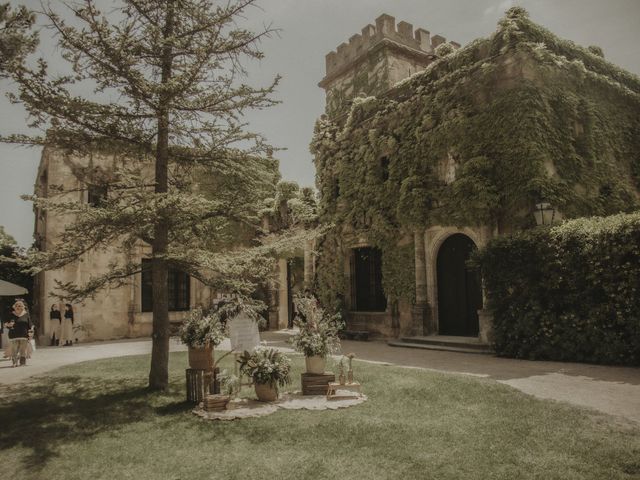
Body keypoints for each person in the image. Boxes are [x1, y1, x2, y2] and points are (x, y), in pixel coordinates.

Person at [6, 299, 33, 367]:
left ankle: (22, 363)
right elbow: (6, 324)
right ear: (14, 307)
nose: (18, 307)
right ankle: (14, 363)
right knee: (14, 350)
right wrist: (8, 325)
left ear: (23, 307)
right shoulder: (11, 314)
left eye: (20, 306)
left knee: (23, 350)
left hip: (24, 335)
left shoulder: (26, 314)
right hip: (13, 335)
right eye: (17, 306)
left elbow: (30, 325)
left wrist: (30, 333)